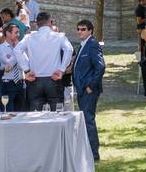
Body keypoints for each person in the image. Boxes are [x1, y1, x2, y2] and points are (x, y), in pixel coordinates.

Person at [15, 12, 74, 111]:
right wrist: (62, 69)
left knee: (35, 114)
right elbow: (69, 49)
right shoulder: (59, 36)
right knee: (57, 113)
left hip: (35, 79)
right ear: (50, 22)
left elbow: (17, 50)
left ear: (37, 24)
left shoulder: (29, 37)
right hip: (53, 78)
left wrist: (26, 69)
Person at [73, 19, 105, 160]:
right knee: (86, 120)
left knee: (88, 120)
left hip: (88, 90)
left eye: (83, 29)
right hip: (81, 89)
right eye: (78, 29)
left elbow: (100, 66)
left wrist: (91, 86)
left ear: (90, 31)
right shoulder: (83, 45)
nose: (80, 31)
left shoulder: (92, 44)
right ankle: (88, 151)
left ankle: (93, 153)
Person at [0, 23, 25, 111]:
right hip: (7, 84)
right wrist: (17, 51)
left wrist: (19, 50)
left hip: (20, 83)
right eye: (16, 32)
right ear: (8, 33)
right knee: (8, 111)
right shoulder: (1, 48)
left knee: (21, 113)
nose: (18, 35)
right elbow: (9, 64)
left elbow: (25, 64)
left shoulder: (20, 47)